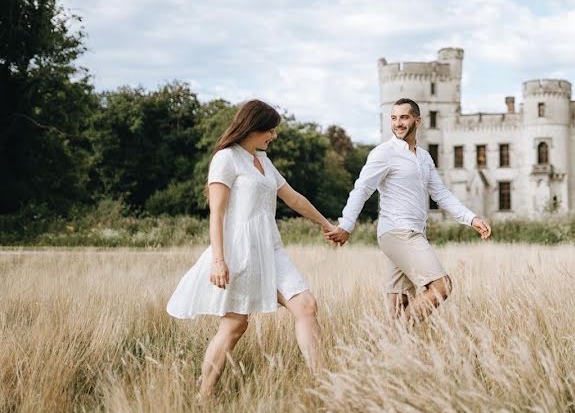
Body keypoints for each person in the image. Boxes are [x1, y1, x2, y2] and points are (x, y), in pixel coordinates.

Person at [167, 99, 333, 397]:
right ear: (252, 127)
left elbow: (293, 198)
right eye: (270, 130)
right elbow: (216, 212)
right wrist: (218, 260)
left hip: (271, 249)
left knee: (306, 306)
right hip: (239, 251)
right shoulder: (226, 158)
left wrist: (325, 224)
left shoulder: (263, 161)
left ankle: (324, 388)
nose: (274, 136)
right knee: (235, 325)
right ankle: (203, 395)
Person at [326, 98, 492, 326]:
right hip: (398, 231)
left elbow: (441, 194)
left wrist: (470, 218)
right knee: (442, 287)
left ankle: (393, 349)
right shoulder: (383, 153)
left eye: (403, 117)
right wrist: (346, 225)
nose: (398, 123)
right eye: (393, 118)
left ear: (417, 120)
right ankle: (394, 336)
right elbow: (362, 188)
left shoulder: (424, 158)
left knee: (400, 300)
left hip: (413, 232)